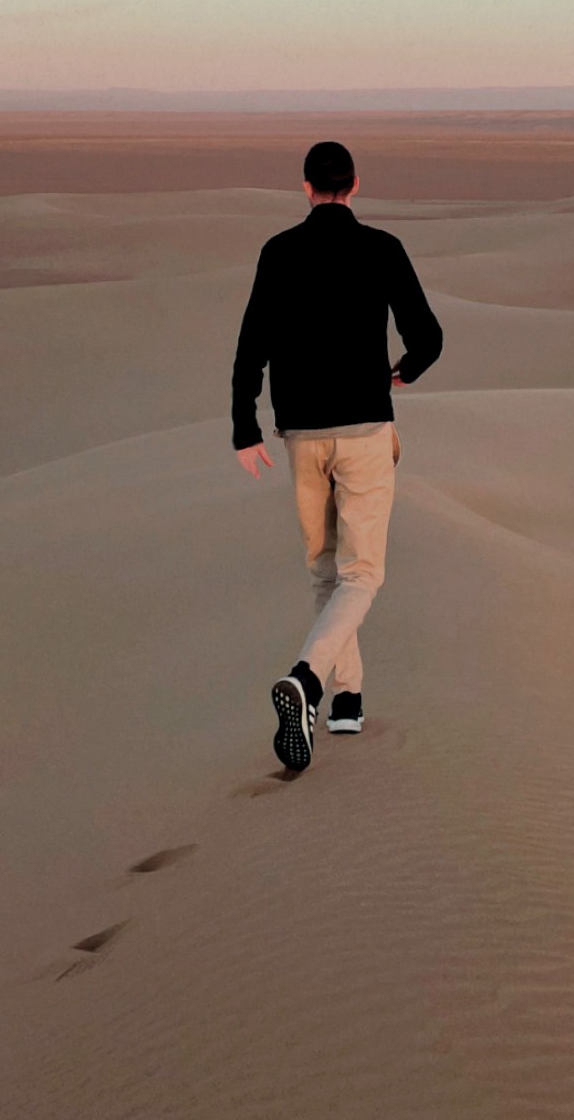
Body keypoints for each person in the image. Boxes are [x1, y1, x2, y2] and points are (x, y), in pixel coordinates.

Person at [231, 141, 442, 771]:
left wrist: (246, 429)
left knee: (324, 568)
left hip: (301, 435)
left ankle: (346, 702)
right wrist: (404, 371)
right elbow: (427, 335)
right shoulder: (382, 249)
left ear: (306, 187)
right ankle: (309, 680)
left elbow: (251, 349)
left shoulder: (278, 252)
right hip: (365, 430)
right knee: (363, 574)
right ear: (355, 185)